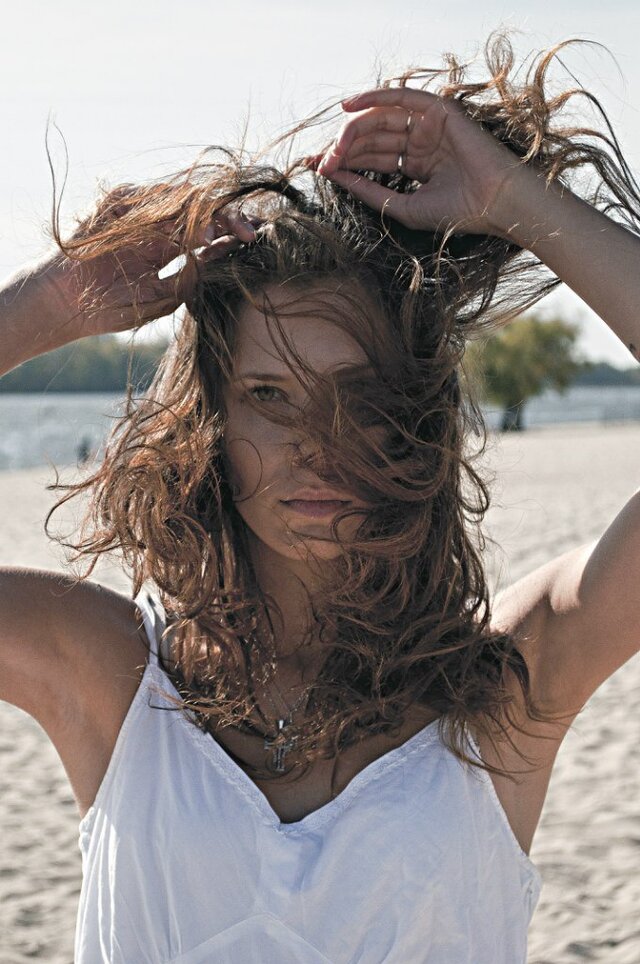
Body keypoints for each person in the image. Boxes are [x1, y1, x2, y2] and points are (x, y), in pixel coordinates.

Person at [1, 31, 639, 964]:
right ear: (209, 424)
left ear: (413, 420)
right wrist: (53, 303)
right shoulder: (108, 675)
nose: (316, 445)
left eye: (359, 398)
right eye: (269, 396)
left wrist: (514, 201)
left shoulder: (510, 689)